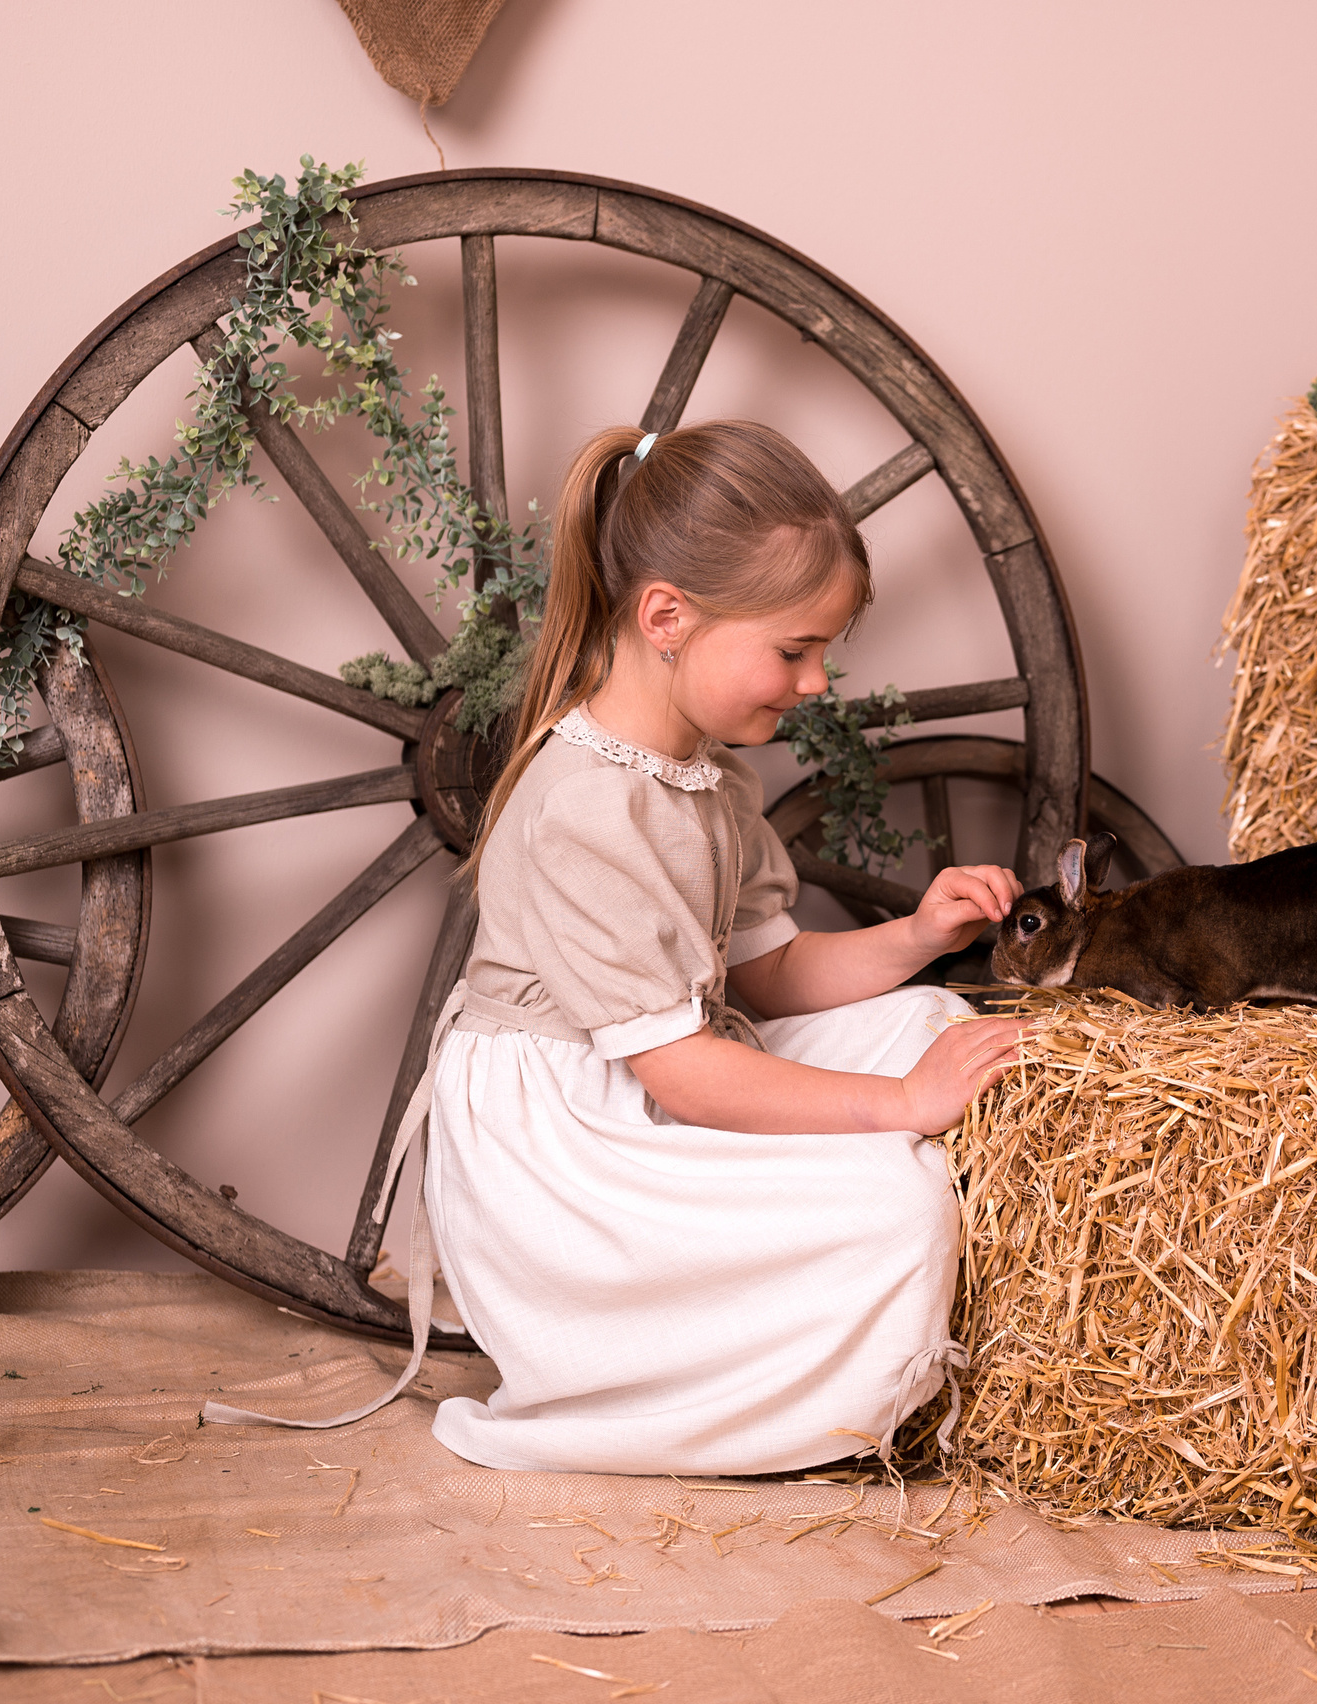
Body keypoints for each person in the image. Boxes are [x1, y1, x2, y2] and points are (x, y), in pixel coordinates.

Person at [205, 421, 1026, 1474]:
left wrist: (918, 935)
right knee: (895, 1203)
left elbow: (767, 977)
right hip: (570, 1152)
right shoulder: (590, 807)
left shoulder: (705, 771)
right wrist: (899, 1108)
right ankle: (732, 1404)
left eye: (825, 651)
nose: (818, 682)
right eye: (793, 650)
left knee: (931, 1019)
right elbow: (681, 1075)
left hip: (668, 1068)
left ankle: (868, 1319)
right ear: (667, 617)